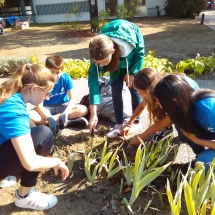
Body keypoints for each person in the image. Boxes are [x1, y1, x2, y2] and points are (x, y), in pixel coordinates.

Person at [0, 63, 69, 210]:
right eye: (47, 93)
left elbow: (27, 126)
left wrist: (47, 121)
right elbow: (30, 163)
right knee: (44, 135)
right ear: (34, 89)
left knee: (40, 132)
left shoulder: (10, 95)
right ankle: (24, 196)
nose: (48, 97)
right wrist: (56, 161)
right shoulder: (14, 110)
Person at [88, 19, 144, 138]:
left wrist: (132, 72)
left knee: (133, 87)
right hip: (114, 62)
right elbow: (93, 85)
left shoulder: (129, 44)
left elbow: (140, 53)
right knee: (116, 87)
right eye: (97, 63)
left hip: (131, 59)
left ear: (112, 52)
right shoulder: (97, 52)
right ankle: (119, 124)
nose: (101, 66)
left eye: (103, 63)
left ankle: (137, 122)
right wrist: (93, 115)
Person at [120, 68, 199, 142]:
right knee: (156, 105)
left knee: (184, 135)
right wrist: (129, 124)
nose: (142, 96)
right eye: (139, 93)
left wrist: (141, 137)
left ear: (151, 88)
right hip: (177, 105)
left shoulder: (170, 91)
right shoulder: (157, 86)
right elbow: (142, 105)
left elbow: (166, 119)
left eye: (144, 93)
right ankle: (168, 129)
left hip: (193, 108)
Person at [153, 74, 215, 168]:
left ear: (174, 100)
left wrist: (197, 140)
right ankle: (201, 153)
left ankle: (204, 156)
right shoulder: (185, 103)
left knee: (203, 163)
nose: (161, 106)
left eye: (162, 102)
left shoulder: (208, 110)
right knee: (180, 124)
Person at [30, 54, 88, 133]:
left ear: (62, 70)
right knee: (29, 116)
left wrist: (66, 112)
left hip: (62, 106)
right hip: (46, 108)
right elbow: (39, 106)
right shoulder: (42, 80)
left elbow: (72, 99)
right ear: (46, 69)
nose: (54, 75)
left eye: (57, 72)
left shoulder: (66, 78)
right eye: (52, 72)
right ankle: (64, 122)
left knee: (83, 109)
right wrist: (49, 118)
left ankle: (51, 123)